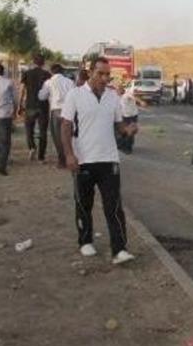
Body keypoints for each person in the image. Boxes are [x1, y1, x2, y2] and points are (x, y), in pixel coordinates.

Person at [61, 57, 138, 264]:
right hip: (83, 159)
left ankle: (119, 249)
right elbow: (66, 126)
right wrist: (69, 154)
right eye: (100, 74)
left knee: (113, 206)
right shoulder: (75, 95)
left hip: (109, 159)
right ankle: (85, 241)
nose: (105, 78)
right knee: (84, 203)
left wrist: (128, 130)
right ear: (90, 72)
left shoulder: (113, 97)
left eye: (107, 75)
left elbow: (119, 125)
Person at [38, 63, 75, 168]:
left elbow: (42, 97)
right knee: (68, 136)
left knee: (57, 137)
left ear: (51, 72)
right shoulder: (70, 82)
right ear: (62, 71)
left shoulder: (48, 82)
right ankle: (70, 158)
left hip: (55, 111)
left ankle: (62, 161)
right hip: (68, 111)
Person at [19, 53, 51, 162]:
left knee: (29, 129)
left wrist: (20, 105)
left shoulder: (27, 73)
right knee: (43, 131)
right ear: (43, 63)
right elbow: (50, 91)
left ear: (33, 62)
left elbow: (22, 89)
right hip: (43, 106)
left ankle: (32, 147)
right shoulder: (47, 74)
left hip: (30, 105)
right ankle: (41, 157)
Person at [116, 83, 145, 154]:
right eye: (117, 90)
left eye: (119, 89)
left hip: (131, 117)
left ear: (122, 89)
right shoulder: (118, 96)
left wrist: (141, 102)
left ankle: (128, 148)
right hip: (124, 117)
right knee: (122, 132)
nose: (118, 91)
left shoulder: (127, 95)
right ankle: (122, 145)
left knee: (130, 132)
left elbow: (134, 97)